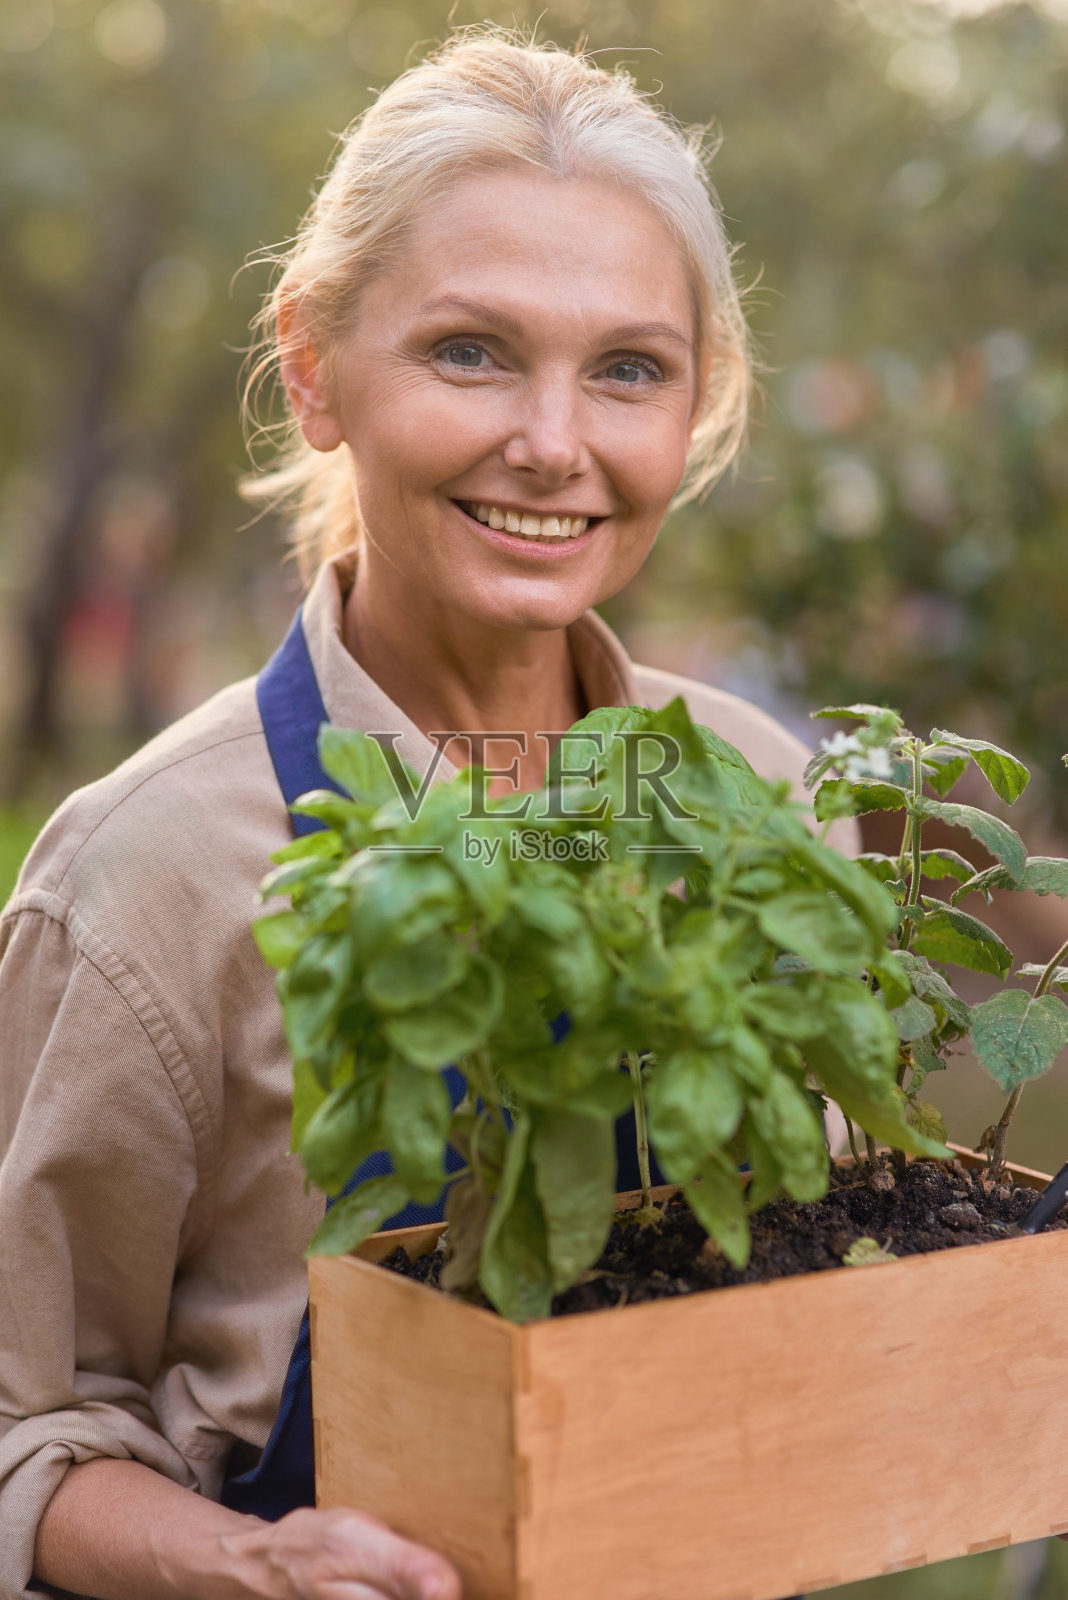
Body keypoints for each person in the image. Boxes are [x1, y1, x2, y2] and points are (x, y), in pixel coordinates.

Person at [0, 29, 849, 1600]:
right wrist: (249, 1567)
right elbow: (26, 1427)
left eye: (627, 369)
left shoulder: (771, 805)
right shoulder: (149, 873)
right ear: (316, 371)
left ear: (696, 404)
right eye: (470, 350)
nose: (553, 441)